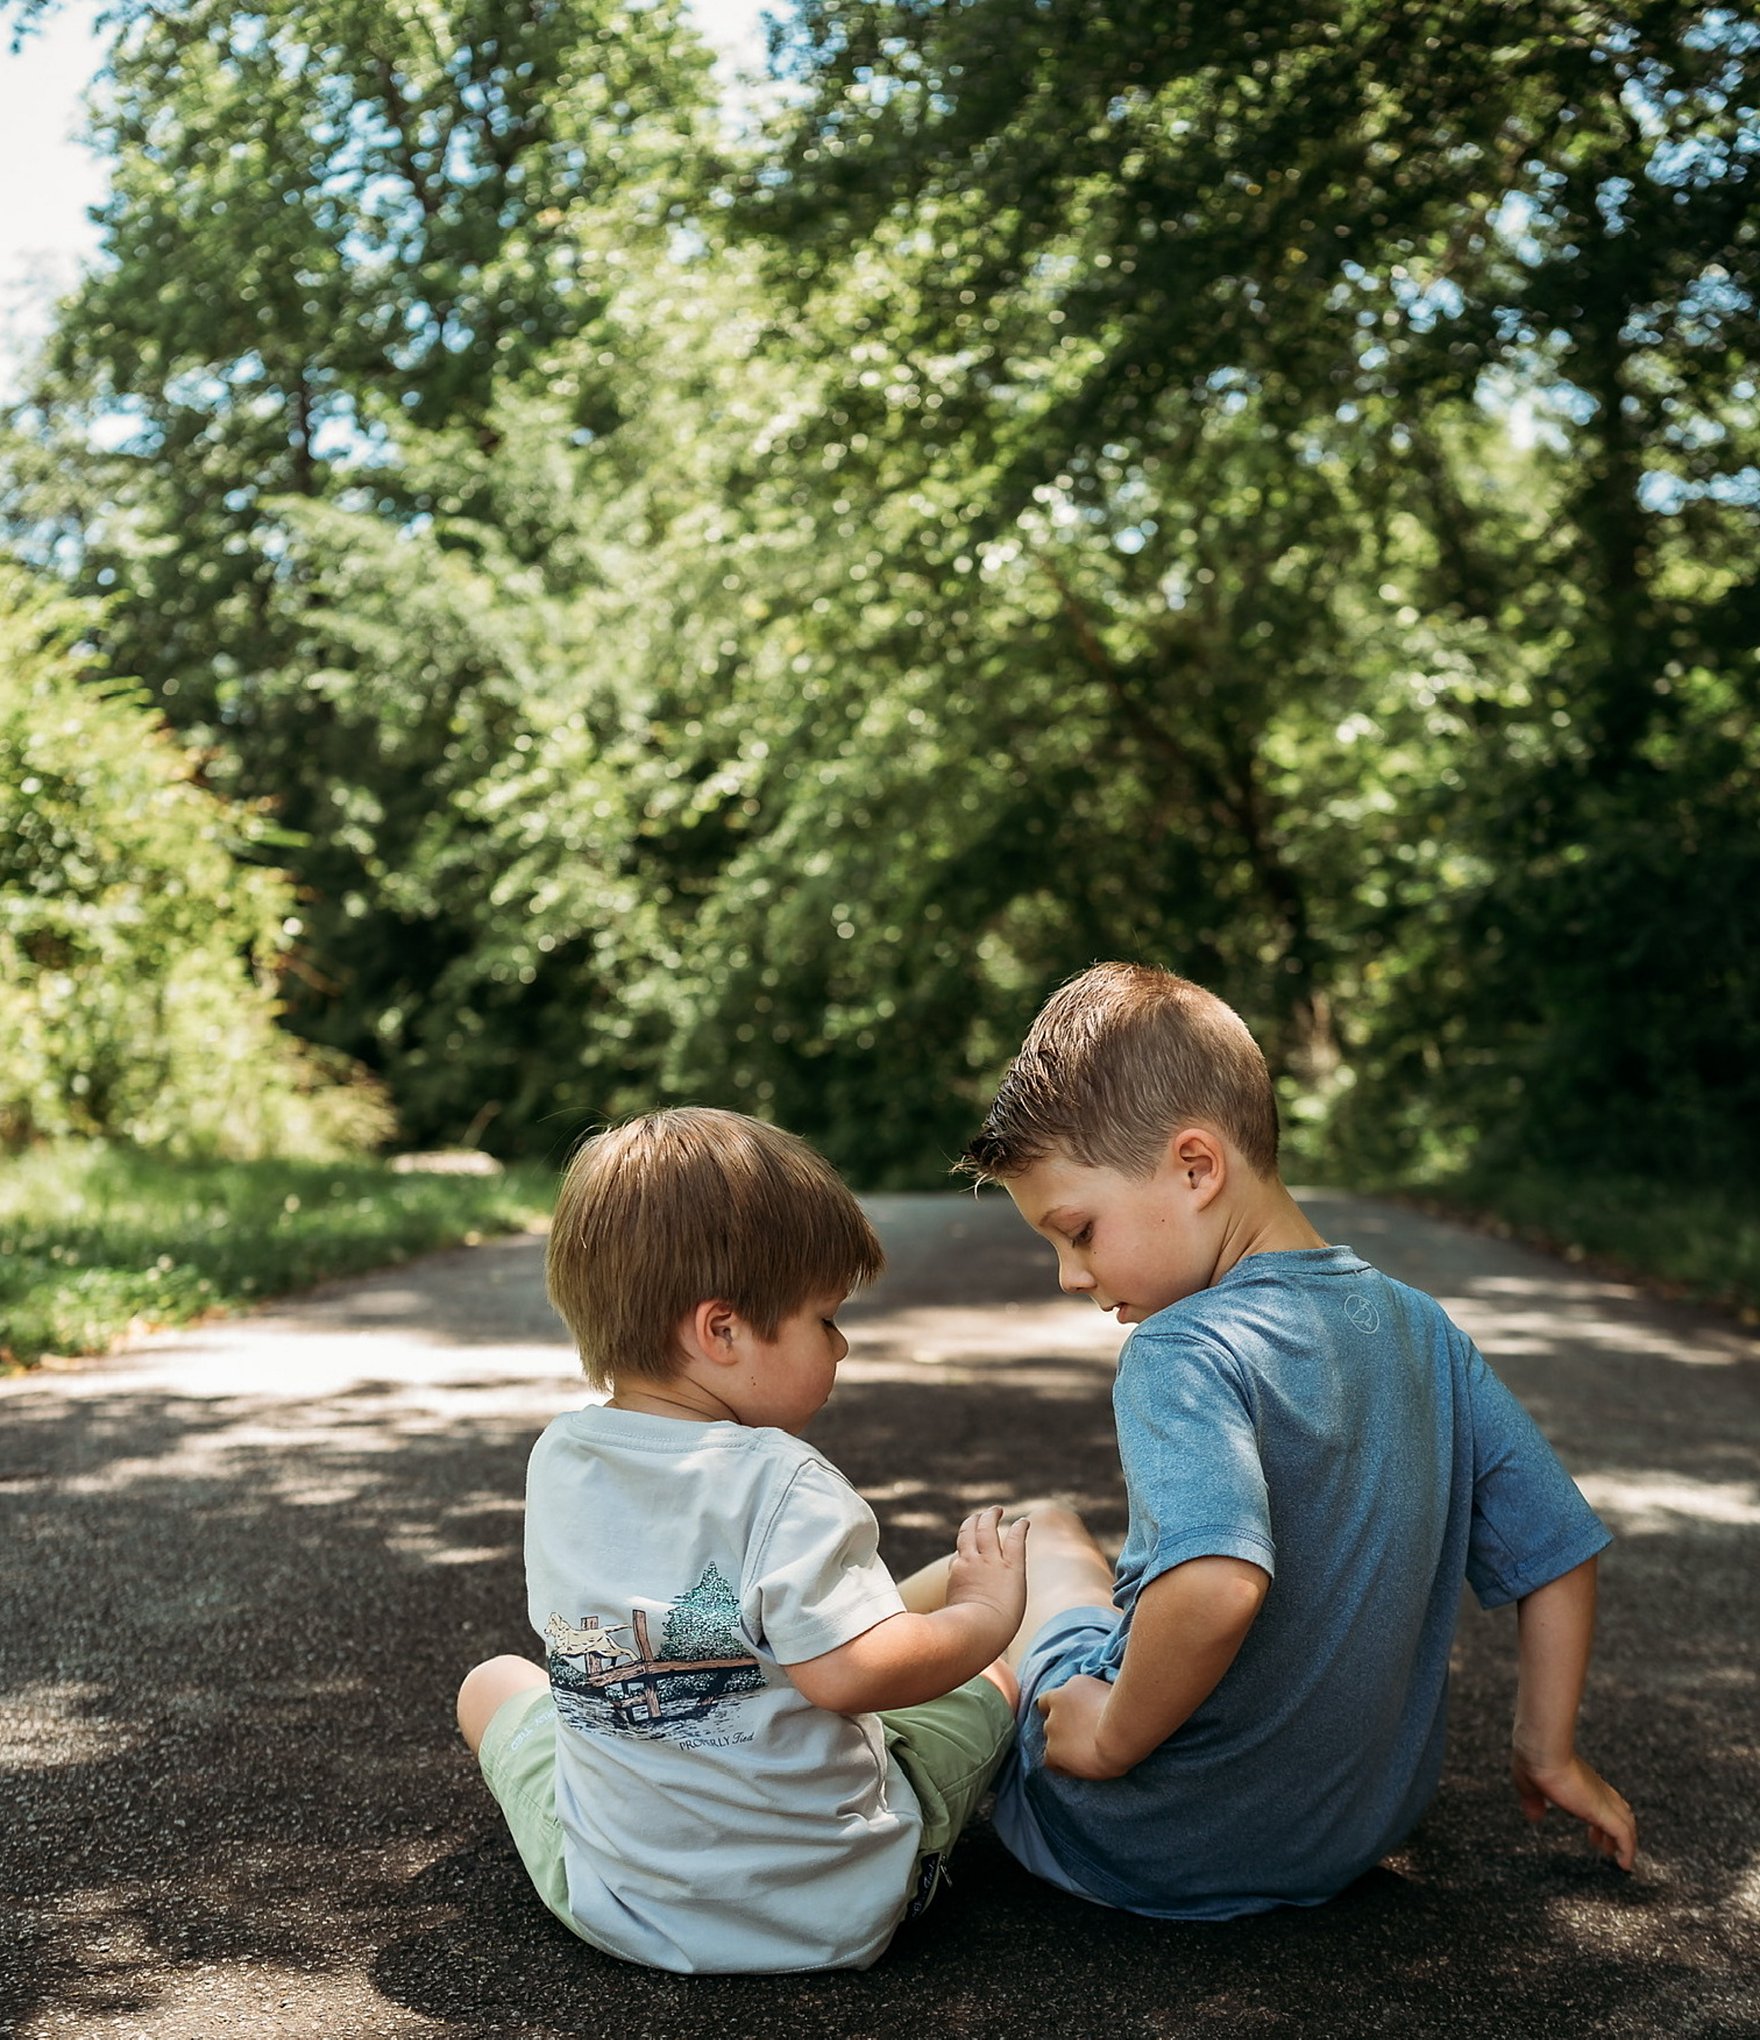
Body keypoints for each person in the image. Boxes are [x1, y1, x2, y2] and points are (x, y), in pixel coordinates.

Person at [957, 961, 1637, 1919]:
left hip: (1144, 1836)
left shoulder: (1182, 1348)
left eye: (1078, 1231)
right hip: (1345, 1839)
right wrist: (1547, 1749)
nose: (1070, 1276)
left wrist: (1109, 1737)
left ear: (1197, 1169)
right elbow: (1558, 1553)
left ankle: (825, 1655)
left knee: (1040, 1538)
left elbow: (1218, 1584)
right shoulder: (1422, 1328)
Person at [455, 1107, 1027, 1974]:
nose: (841, 1343)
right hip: (832, 1909)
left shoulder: (560, 1458)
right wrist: (985, 1615)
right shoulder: (783, 1482)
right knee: (988, 1682)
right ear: (720, 1331)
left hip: (614, 1902)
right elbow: (853, 1676)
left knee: (492, 1682)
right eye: (824, 1319)